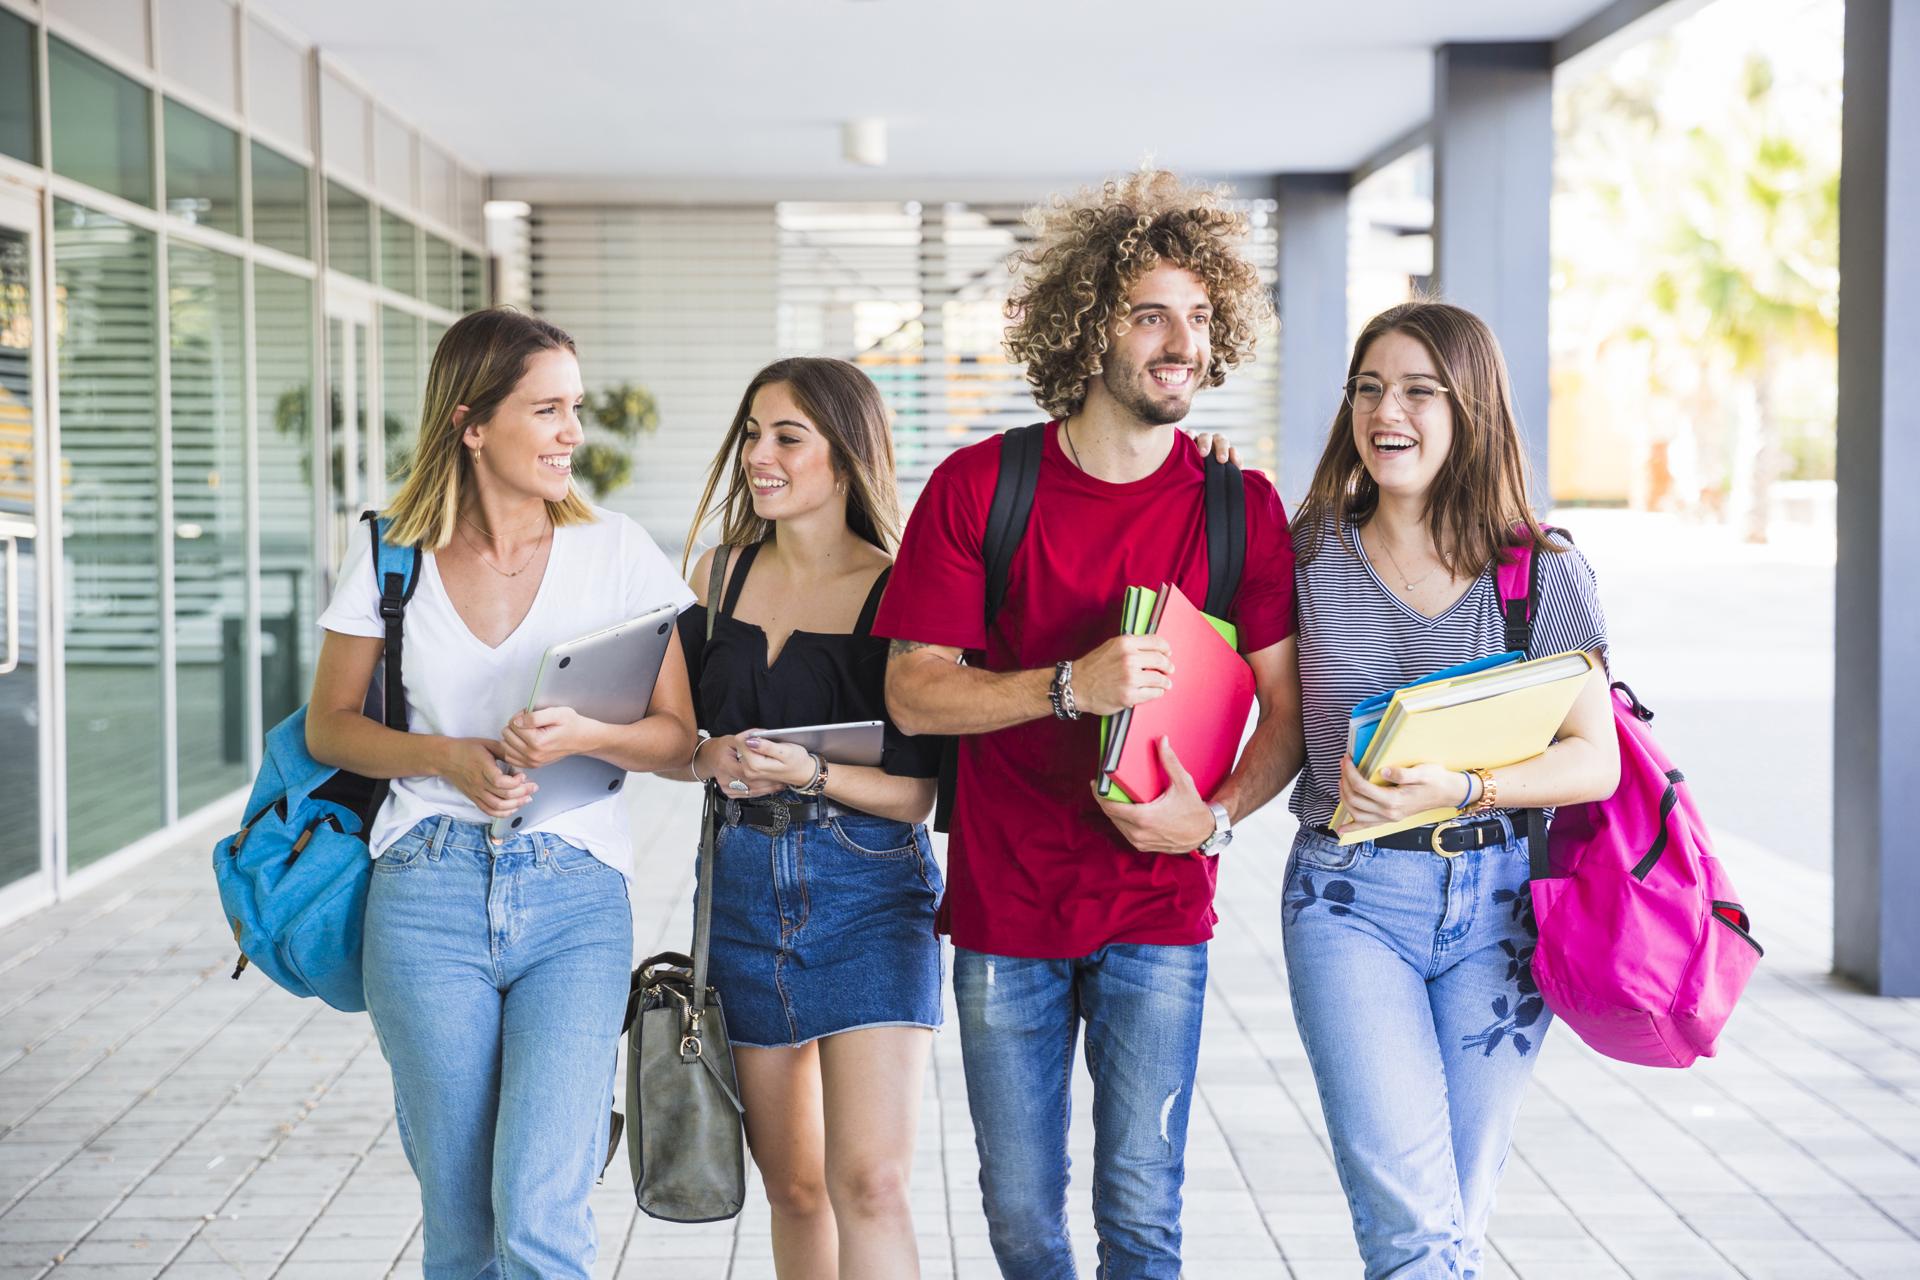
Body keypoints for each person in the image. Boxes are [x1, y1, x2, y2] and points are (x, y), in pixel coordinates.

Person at [876, 171, 1305, 1279]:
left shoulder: (1240, 505)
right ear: (1086, 325)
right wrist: (1067, 685)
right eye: (1150, 315)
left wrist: (1214, 819)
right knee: (1021, 1217)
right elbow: (914, 689)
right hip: (1007, 905)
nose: (1183, 343)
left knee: (1143, 1217)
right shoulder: (981, 487)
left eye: (1199, 317)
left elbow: (1288, 710)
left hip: (1161, 908)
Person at [306, 308, 697, 1279]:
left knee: (539, 1213)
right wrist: (446, 757)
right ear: (472, 424)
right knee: (463, 1225)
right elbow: (330, 727)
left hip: (575, 894)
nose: (573, 432)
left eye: (576, 408)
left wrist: (588, 733)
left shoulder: (617, 551)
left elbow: (677, 738)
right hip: (424, 892)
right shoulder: (391, 554)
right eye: (548, 409)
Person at [1283, 300, 1619, 1279]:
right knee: (1413, 1226)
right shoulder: (1305, 555)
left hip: (1500, 910)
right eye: (1368, 388)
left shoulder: (1539, 571)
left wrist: (1468, 786)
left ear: (1470, 407)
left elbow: (1593, 758)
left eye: (1419, 390)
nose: (1386, 411)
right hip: (1348, 901)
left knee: (1456, 1219)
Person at [661, 356, 944, 1280]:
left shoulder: (901, 588)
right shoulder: (717, 575)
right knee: (792, 1187)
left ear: (847, 453)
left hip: (870, 892)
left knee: (872, 1183)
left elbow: (918, 796)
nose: (760, 456)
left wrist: (814, 773)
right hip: (742, 894)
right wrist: (707, 756)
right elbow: (673, 739)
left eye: (788, 437)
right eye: (752, 435)